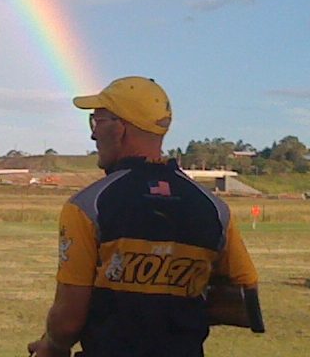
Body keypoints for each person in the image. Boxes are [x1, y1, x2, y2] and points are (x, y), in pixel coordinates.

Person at [27, 76, 260, 357]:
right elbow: (245, 291)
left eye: (97, 121)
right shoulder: (214, 208)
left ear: (119, 129)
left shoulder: (88, 205)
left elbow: (67, 323)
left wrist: (50, 347)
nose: (92, 134)